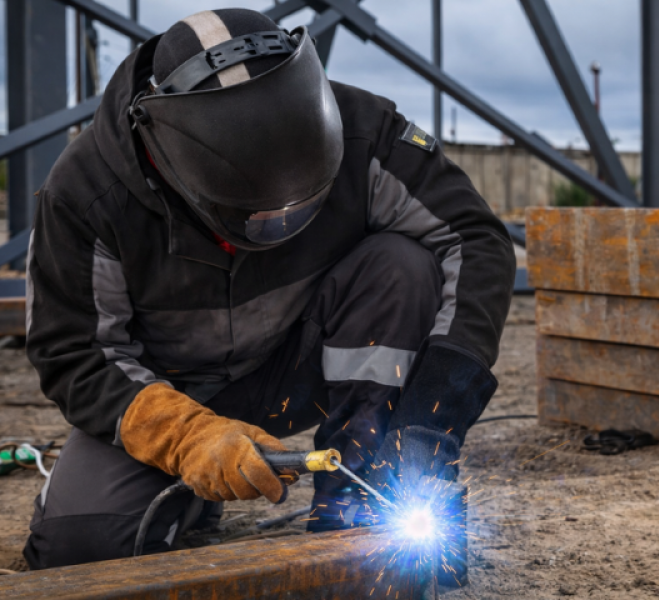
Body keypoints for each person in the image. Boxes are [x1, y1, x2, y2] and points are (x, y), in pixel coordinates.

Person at [22, 8, 515, 569]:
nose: (282, 223)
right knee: (81, 552)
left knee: (403, 265)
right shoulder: (87, 193)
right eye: (258, 214)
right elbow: (76, 354)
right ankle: (187, 491)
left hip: (298, 367)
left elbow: (475, 240)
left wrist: (432, 416)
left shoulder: (362, 130)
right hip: (170, 394)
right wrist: (186, 438)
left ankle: (360, 495)